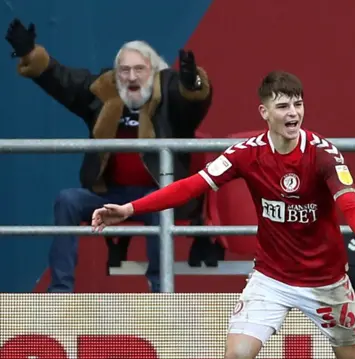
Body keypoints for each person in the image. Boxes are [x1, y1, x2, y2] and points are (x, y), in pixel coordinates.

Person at [90, 71, 355, 359]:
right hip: (272, 278)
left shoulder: (324, 154)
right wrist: (131, 209)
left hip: (326, 281)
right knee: (236, 354)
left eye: (298, 104)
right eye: (283, 106)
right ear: (264, 112)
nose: (293, 113)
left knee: (354, 355)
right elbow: (191, 186)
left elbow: (351, 205)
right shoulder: (246, 153)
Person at [5, 18, 213, 293]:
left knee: (159, 206)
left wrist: (192, 81)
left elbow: (193, 103)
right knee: (67, 200)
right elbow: (63, 80)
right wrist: (30, 55)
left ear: (152, 71)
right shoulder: (101, 93)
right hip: (110, 195)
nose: (131, 76)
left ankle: (161, 291)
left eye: (139, 69)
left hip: (156, 195)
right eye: (124, 70)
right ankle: (60, 290)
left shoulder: (170, 96)